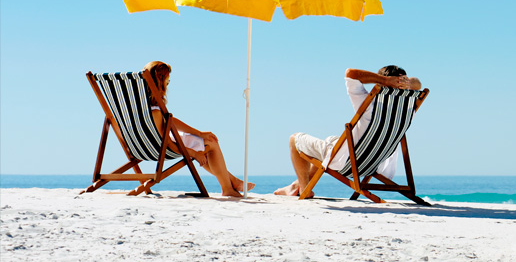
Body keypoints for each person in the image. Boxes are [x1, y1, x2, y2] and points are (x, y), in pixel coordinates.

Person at [274, 66, 421, 197]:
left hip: (347, 163)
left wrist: (384, 80)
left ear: (380, 84)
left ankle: (304, 188)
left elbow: (350, 73)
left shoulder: (368, 103)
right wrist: (404, 83)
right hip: (375, 165)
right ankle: (294, 186)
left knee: (294, 139)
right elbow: (418, 84)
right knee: (331, 143)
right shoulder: (409, 107)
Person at [144, 61, 254, 198]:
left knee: (205, 142)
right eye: (168, 80)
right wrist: (192, 153)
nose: (168, 83)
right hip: (163, 147)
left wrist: (199, 133)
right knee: (211, 144)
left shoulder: (144, 107)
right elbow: (166, 143)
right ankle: (228, 188)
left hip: (145, 145)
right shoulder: (155, 113)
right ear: (160, 80)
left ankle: (232, 181)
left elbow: (169, 120)